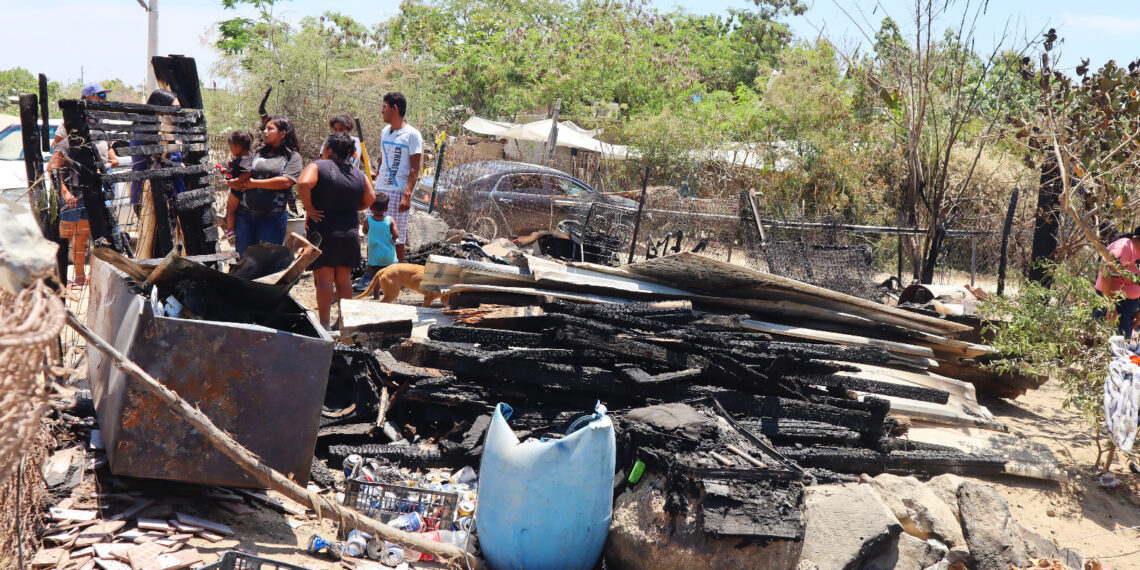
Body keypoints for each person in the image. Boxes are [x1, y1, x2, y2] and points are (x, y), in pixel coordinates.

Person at [297, 133, 375, 329]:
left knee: (324, 279)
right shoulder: (358, 173)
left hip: (323, 229)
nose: (322, 151)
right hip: (349, 232)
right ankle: (343, 322)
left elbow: (303, 183)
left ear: (330, 150)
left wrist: (309, 207)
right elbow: (371, 199)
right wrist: (352, 208)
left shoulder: (318, 166)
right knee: (343, 278)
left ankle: (324, 324)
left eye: (324, 147)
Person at [48, 119, 119, 288]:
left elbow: (109, 161)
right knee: (65, 237)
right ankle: (59, 279)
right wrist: (65, 192)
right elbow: (52, 168)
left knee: (81, 238)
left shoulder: (100, 142)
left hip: (91, 194)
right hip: (73, 193)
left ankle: (79, 277)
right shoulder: (67, 144)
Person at [227, 115, 303, 255]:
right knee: (243, 260)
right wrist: (235, 180)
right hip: (245, 217)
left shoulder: (292, 157)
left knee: (267, 262)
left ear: (282, 133)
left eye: (270, 128)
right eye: (265, 128)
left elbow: (286, 181)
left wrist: (255, 184)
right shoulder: (256, 151)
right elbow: (243, 171)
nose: (265, 131)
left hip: (272, 219)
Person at [375, 92, 423, 263]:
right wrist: (377, 176)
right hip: (380, 189)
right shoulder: (384, 132)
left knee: (397, 235)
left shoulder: (412, 134)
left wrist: (407, 194)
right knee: (375, 231)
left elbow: (415, 167)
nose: (381, 111)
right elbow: (383, 158)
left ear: (394, 109)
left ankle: (397, 274)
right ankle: (375, 272)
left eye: (384, 107)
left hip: (397, 191)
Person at [1094, 227, 1140, 338]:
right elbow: (1107, 272)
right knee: (1112, 344)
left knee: (1122, 344)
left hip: (1130, 306)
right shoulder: (1125, 246)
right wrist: (1110, 306)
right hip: (1110, 300)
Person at [356, 193, 399, 296]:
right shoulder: (390, 220)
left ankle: (376, 294)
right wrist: (392, 240)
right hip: (388, 255)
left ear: (371, 208)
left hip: (374, 256)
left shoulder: (368, 220)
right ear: (387, 208)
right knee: (388, 274)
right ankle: (388, 292)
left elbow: (364, 231)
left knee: (376, 275)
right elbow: (396, 234)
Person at [221, 129, 255, 236]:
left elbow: (247, 172)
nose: (230, 149)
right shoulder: (247, 157)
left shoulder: (244, 159)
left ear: (238, 146)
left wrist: (237, 180)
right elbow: (238, 172)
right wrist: (227, 172)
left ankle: (230, 229)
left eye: (231, 146)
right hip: (240, 188)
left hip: (237, 189)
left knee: (230, 209)